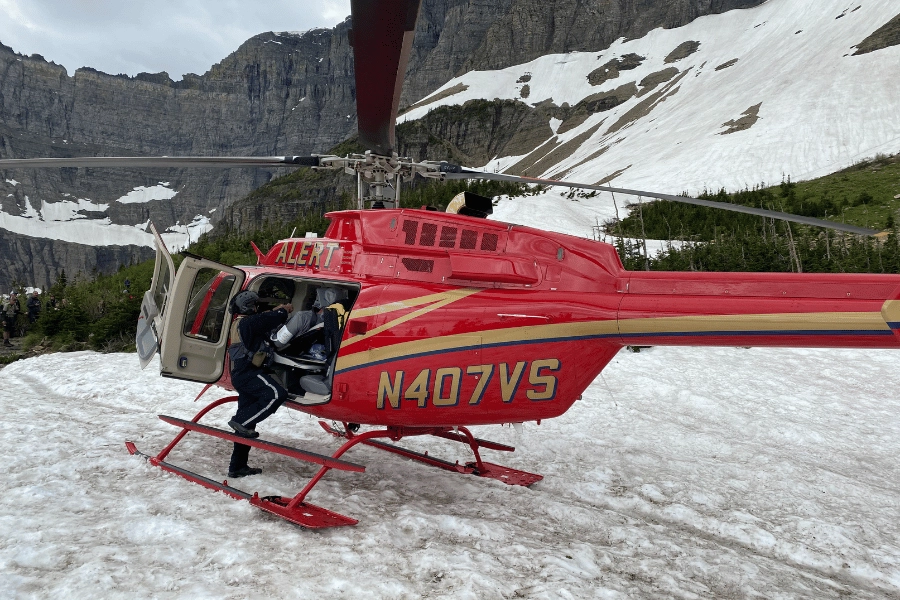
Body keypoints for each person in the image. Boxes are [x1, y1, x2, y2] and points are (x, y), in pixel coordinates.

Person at [225, 290, 293, 478]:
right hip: (250, 373)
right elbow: (270, 318)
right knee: (276, 394)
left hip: (243, 373)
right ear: (249, 306)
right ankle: (240, 422)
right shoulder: (249, 322)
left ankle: (237, 466)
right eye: (255, 305)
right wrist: (284, 310)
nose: (257, 308)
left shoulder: (241, 322)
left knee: (248, 425)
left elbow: (263, 319)